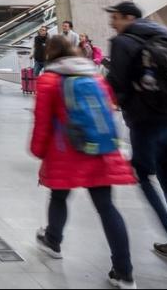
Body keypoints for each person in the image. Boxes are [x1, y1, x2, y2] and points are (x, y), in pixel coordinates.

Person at [31, 35, 137, 289]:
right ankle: (124, 272)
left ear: (50, 54)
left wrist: (38, 150)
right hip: (99, 150)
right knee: (107, 208)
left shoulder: (49, 80)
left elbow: (42, 120)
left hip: (65, 152)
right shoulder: (95, 76)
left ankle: (53, 241)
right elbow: (109, 110)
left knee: (59, 197)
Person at [105, 1, 167, 268]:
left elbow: (117, 83)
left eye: (115, 17)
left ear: (129, 18)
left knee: (142, 174)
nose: (112, 23)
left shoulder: (123, 43)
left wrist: (121, 102)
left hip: (148, 120)